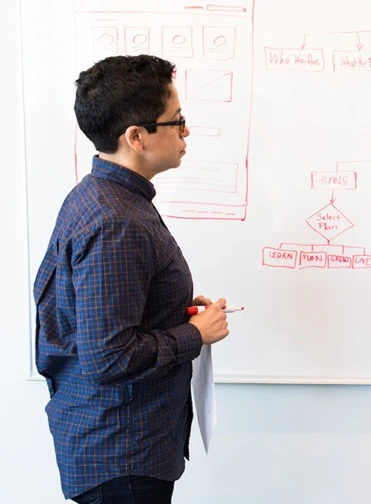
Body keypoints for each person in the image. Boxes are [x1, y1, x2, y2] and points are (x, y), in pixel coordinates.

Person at [33, 54, 231, 504]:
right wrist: (194, 334)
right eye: (177, 121)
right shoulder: (116, 222)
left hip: (120, 448)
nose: (185, 132)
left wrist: (176, 313)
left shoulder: (106, 198)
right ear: (136, 137)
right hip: (121, 457)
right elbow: (109, 357)